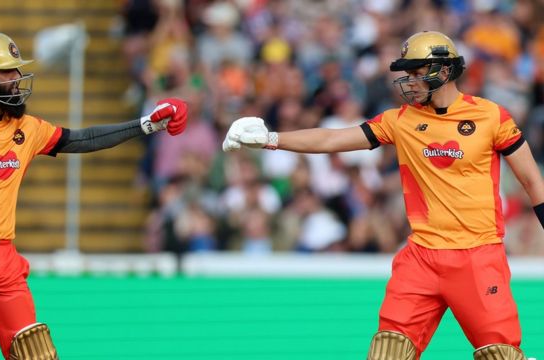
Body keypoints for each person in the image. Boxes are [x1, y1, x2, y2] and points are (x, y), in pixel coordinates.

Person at [223, 30, 544, 360]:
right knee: (387, 352)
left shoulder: (491, 116)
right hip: (421, 258)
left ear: (444, 71)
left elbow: (534, 182)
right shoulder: (400, 121)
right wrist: (270, 137)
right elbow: (332, 140)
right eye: (409, 74)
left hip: (477, 257)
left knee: (500, 355)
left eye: (419, 73)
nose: (411, 82)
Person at [0, 32, 188, 359]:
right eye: (6, 72)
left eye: (16, 70)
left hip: (3, 261)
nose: (16, 79)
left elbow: (83, 139)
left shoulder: (27, 127)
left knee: (34, 353)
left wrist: (147, 125)